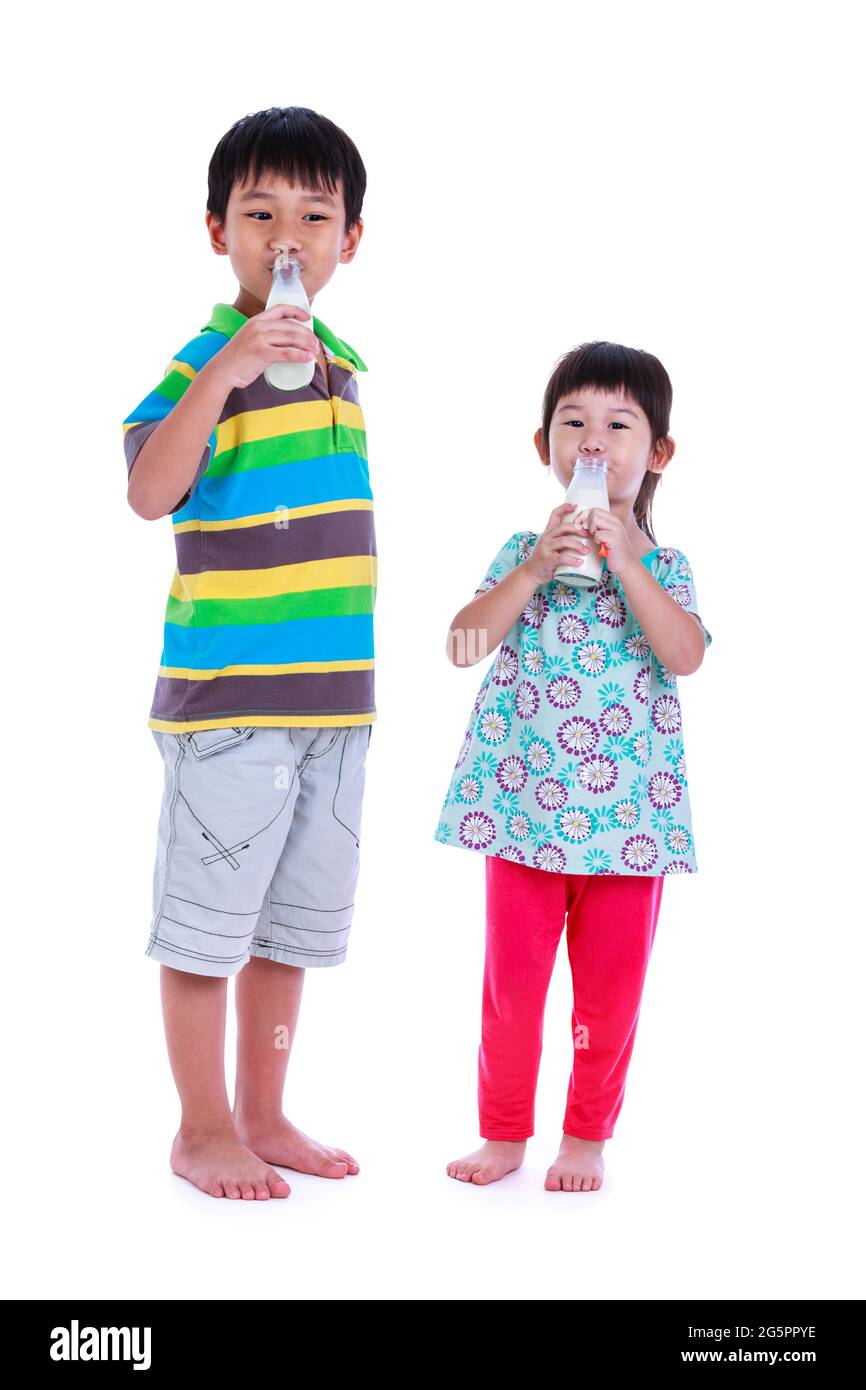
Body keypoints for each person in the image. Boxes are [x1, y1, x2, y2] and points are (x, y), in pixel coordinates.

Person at [122, 107, 375, 1201]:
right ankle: (201, 1127)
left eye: (312, 218)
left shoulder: (343, 365)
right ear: (218, 228)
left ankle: (264, 1113)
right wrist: (222, 367)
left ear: (348, 241)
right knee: (206, 932)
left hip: (334, 706)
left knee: (287, 929)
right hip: (230, 705)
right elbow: (146, 492)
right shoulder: (199, 364)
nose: (287, 239)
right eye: (260, 214)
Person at [434, 341, 713, 1192]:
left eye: (619, 425)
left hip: (629, 828)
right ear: (544, 447)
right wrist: (530, 567)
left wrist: (624, 559)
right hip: (521, 815)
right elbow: (462, 644)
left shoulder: (664, 567)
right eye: (574, 423)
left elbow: (685, 653)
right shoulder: (526, 551)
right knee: (510, 989)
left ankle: (586, 1136)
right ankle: (504, 1131)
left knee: (610, 995)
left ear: (657, 453)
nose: (593, 442)